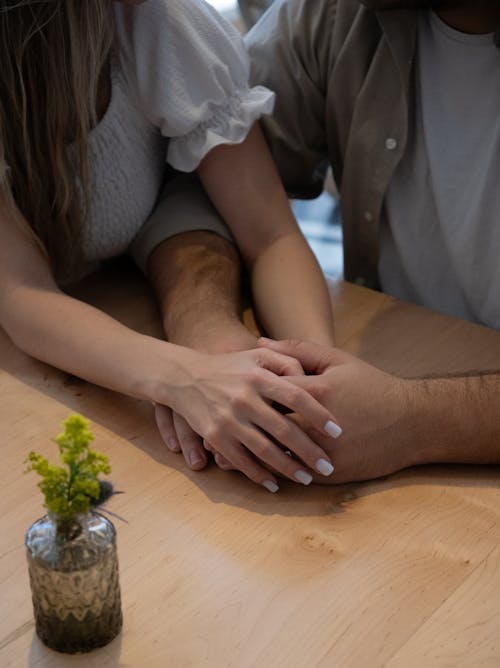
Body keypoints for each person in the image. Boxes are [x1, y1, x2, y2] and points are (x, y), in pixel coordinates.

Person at [0, 0, 346, 494]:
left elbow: (270, 234)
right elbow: (21, 295)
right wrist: (185, 379)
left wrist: (320, 382)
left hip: (143, 250)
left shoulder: (161, 22)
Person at [160, 0, 500, 482]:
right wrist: (205, 328)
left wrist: (413, 421)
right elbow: (199, 179)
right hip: (387, 379)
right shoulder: (333, 13)